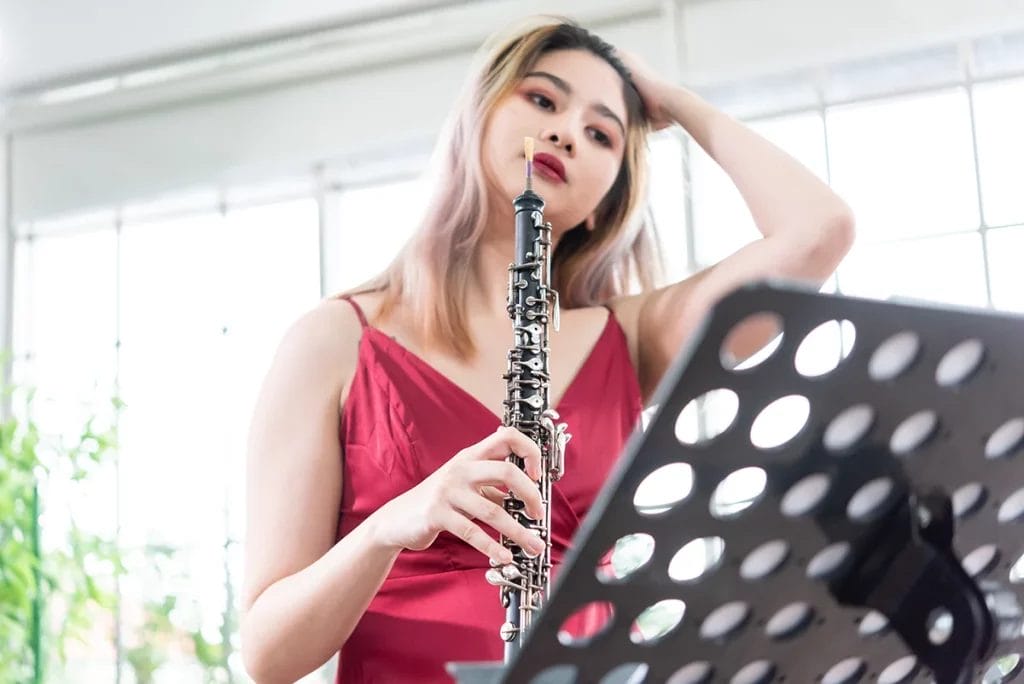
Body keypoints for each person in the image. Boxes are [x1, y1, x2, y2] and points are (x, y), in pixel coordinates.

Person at [239, 15, 854, 684]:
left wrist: (671, 101)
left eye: (601, 134)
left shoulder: (631, 338)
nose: (566, 132)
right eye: (542, 99)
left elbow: (817, 230)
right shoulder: (334, 339)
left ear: (603, 203)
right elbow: (269, 656)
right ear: (476, 116)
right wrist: (390, 525)